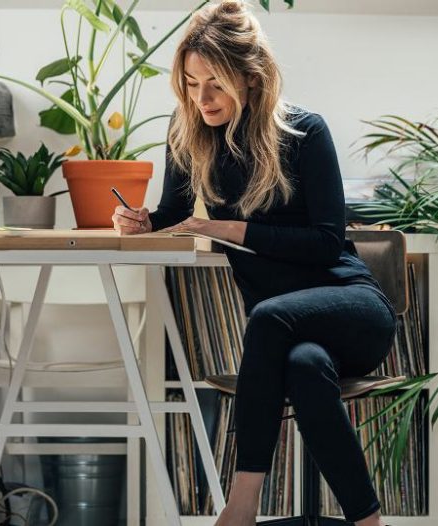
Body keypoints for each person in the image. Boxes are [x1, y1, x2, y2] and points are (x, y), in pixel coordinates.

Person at [111, 2, 398, 526]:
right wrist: (141, 221)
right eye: (192, 84)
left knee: (268, 316)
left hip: (353, 309)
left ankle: (241, 504)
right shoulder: (188, 137)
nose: (203, 99)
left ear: (250, 76)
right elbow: (173, 213)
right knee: (304, 366)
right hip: (289, 337)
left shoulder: (305, 132)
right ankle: (368, 520)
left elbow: (327, 242)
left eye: (215, 83)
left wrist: (224, 228)